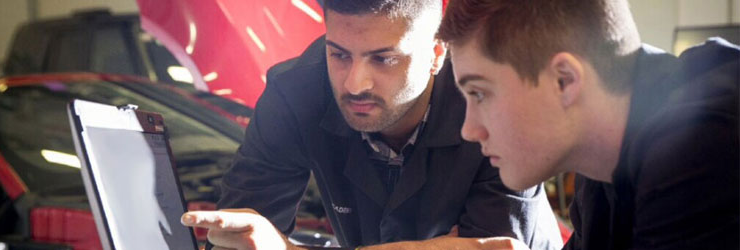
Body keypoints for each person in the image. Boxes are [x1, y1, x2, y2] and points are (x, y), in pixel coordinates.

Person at [181, 0, 563, 249]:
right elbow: (239, 237)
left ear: (435, 53)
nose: (354, 84)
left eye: (383, 59)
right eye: (339, 54)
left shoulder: (491, 97)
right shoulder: (294, 93)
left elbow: (495, 247)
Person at [437, 0, 739, 249]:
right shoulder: (597, 171)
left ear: (564, 80)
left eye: (480, 94)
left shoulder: (701, 146)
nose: (469, 130)